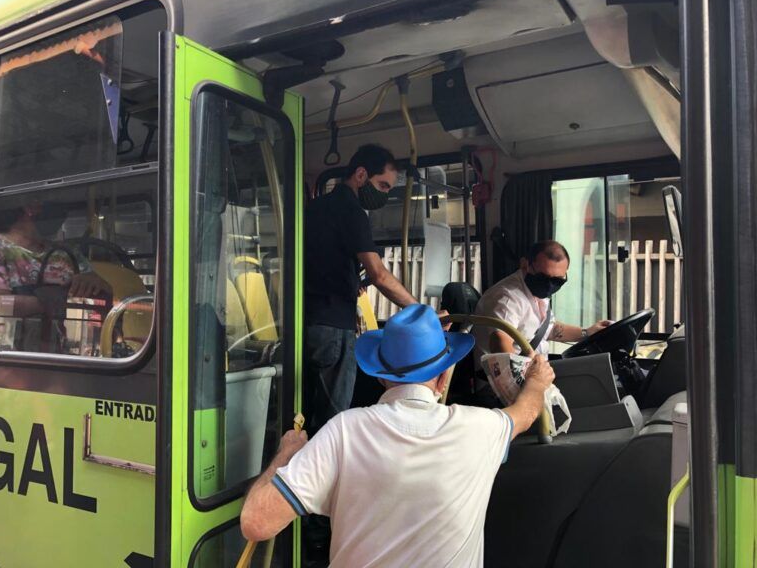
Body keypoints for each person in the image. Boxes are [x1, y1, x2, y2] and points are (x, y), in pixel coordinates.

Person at [240, 304, 555, 567]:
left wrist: (286, 453)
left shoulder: (343, 431)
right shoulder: (481, 428)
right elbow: (526, 412)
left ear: (380, 377)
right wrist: (538, 381)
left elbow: (256, 522)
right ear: (443, 378)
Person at [303, 144, 418, 435]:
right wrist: (419, 310)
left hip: (306, 322)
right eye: (382, 185)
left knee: (306, 410)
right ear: (361, 174)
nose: (384, 194)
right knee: (333, 420)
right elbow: (379, 274)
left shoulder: (315, 207)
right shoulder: (353, 212)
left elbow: (324, 262)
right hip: (333, 326)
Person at [0, 201, 111, 350]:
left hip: (56, 350)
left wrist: (92, 282)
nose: (64, 214)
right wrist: (53, 302)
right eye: (57, 204)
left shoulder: (66, 252)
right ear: (31, 207)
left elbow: (107, 295)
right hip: (7, 352)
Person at [473, 240, 610, 361]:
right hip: (508, 377)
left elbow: (549, 329)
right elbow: (500, 342)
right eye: (543, 277)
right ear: (525, 265)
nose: (549, 285)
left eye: (557, 281)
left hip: (538, 367)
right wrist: (529, 378)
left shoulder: (536, 291)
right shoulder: (507, 298)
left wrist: (587, 332)